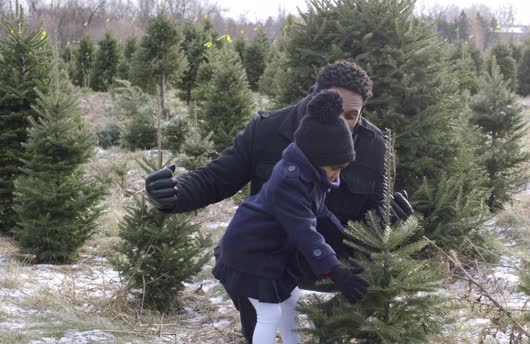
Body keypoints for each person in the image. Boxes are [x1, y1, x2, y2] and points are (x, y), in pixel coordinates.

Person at [145, 61, 413, 342]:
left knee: (383, 272)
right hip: (271, 252)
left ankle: (328, 328)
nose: (343, 122)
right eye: (335, 111)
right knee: (236, 258)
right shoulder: (268, 131)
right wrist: (173, 194)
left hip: (330, 251)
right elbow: (215, 178)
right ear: (314, 98)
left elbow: (371, 220)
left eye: (351, 115)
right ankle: (257, 327)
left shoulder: (374, 147)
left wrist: (388, 220)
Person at [212, 90, 370, 344]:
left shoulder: (311, 174)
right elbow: (305, 233)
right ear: (316, 158)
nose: (336, 175)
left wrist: (347, 243)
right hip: (250, 252)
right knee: (268, 312)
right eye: (334, 168)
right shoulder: (290, 181)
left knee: (292, 301)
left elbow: (321, 214)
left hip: (271, 252)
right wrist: (336, 271)